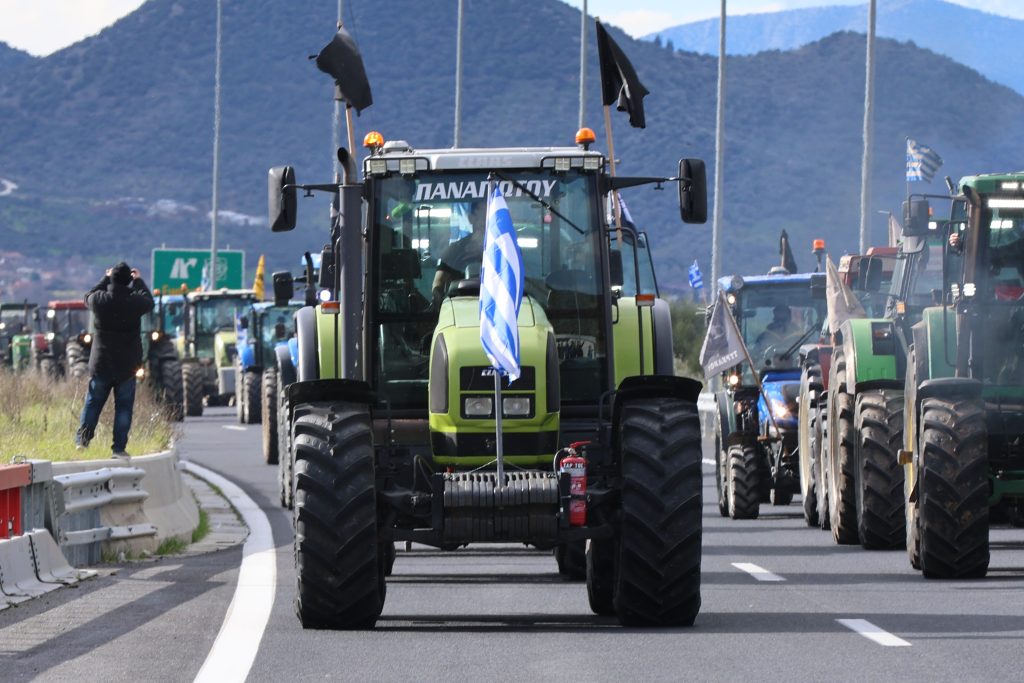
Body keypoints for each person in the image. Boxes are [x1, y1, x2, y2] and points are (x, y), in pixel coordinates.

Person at [75, 262, 155, 457]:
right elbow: (149, 301)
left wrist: (105, 278)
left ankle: (82, 441)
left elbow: (87, 297)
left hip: (101, 363)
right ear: (128, 280)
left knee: (93, 403)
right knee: (124, 408)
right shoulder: (134, 302)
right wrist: (138, 281)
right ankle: (118, 449)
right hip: (127, 366)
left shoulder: (100, 300)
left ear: (111, 279)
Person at [431, 200, 488, 305]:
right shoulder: (453, 250)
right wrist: (438, 299)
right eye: (480, 215)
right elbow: (438, 282)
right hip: (456, 310)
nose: (484, 221)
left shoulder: (504, 250)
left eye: (488, 215)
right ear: (471, 218)